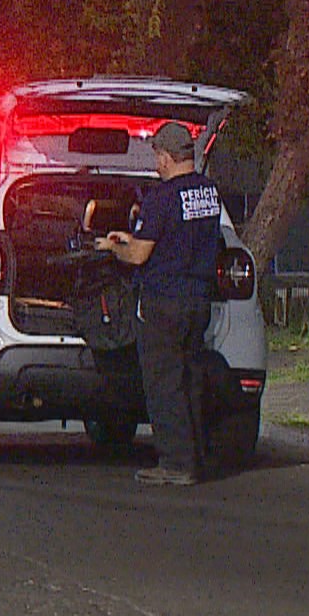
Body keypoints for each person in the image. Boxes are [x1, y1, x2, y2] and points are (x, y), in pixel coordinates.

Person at [96, 121, 223, 486]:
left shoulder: (161, 198)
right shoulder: (208, 192)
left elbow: (137, 256)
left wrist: (112, 246)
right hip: (198, 301)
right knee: (190, 380)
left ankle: (175, 464)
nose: (156, 163)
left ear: (166, 157)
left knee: (164, 384)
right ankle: (196, 457)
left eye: (156, 155)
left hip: (164, 302)